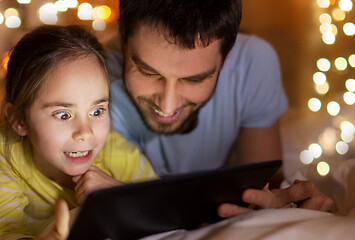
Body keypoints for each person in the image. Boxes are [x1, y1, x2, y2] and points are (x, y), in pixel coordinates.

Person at [108, 0, 334, 215]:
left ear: (226, 59)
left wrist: (282, 200)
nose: (167, 105)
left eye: (194, 80)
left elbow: (265, 186)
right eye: (148, 72)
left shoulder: (252, 62)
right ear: (121, 36)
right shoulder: (93, 77)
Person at [0, 25, 156, 240]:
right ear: (19, 120)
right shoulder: (4, 158)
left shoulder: (117, 152)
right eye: (63, 115)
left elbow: (162, 207)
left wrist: (118, 196)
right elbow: (5, 230)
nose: (85, 133)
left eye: (97, 111)